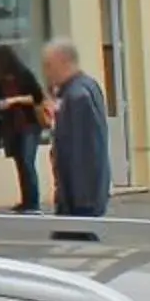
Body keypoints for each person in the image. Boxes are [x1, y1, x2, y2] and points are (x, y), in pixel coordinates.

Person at [43, 39, 111, 219]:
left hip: (79, 198)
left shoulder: (77, 96)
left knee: (76, 235)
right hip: (81, 195)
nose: (46, 72)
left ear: (64, 62)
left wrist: (78, 199)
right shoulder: (84, 88)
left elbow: (83, 150)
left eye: (49, 65)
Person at [0, 45, 48, 211]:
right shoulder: (0, 82)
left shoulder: (23, 75)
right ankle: (26, 200)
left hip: (29, 124)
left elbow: (37, 97)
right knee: (20, 164)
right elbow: (0, 110)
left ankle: (34, 202)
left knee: (27, 161)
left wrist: (13, 101)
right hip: (12, 127)